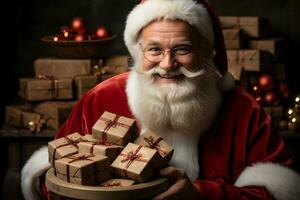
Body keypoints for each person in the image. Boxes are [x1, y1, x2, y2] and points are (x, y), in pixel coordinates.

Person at [21, 0, 300, 199]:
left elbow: (277, 191)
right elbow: (55, 177)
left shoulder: (243, 110)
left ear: (205, 51)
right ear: (137, 51)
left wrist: (203, 194)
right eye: (154, 50)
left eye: (182, 49)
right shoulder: (101, 99)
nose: (167, 64)